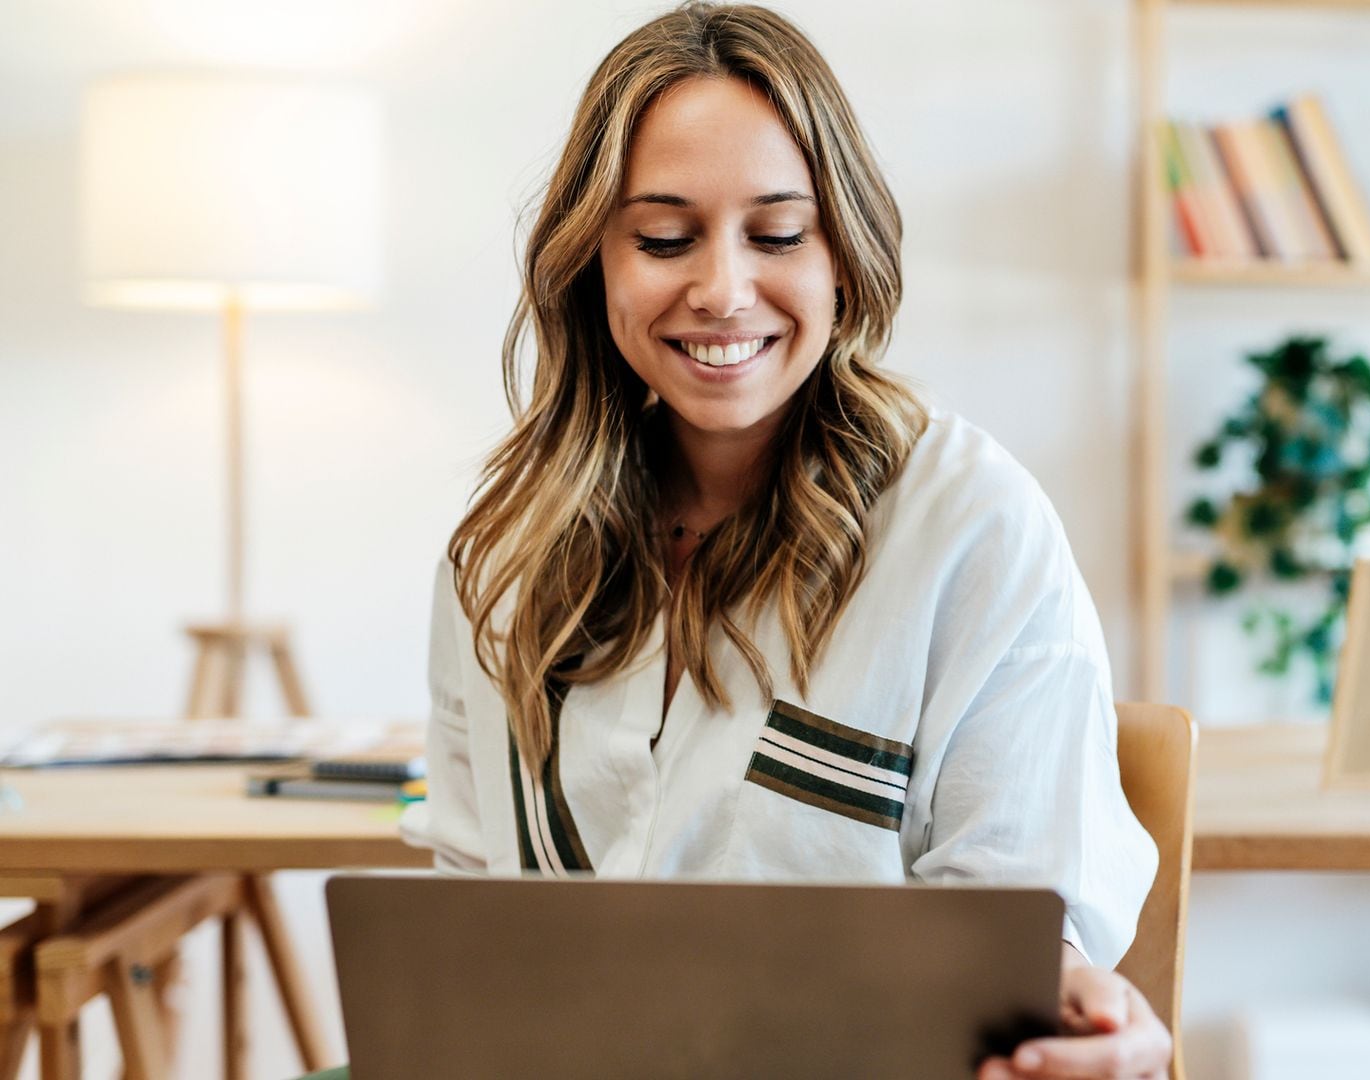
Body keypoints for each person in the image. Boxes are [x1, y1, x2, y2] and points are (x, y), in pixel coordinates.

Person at [401, 4, 1170, 1078]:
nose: (722, 291)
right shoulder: (503, 555)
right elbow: (469, 915)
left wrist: (1075, 1001)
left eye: (776, 235)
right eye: (663, 238)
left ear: (844, 256)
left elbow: (1020, 925)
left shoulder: (970, 526)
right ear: (593, 264)